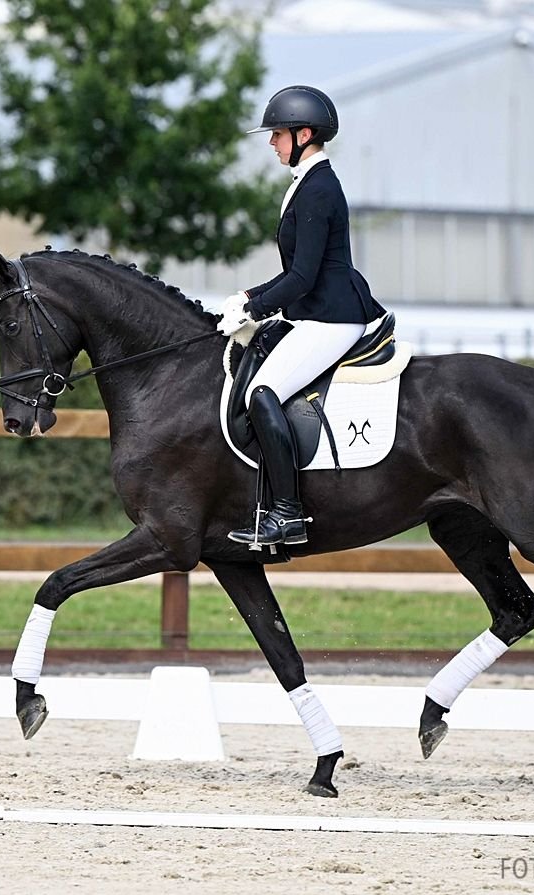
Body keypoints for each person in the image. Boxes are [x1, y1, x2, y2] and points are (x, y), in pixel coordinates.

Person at [218, 84, 386, 548]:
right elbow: (293, 273)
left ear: (304, 134)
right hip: (316, 311)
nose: (272, 142)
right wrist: (247, 295)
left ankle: (287, 513)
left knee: (262, 391)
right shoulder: (307, 184)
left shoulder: (318, 189)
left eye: (277, 134)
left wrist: (254, 308)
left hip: (332, 317)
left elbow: (304, 278)